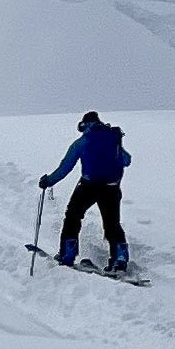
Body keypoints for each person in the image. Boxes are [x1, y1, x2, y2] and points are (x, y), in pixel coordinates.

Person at [38, 111, 131, 273]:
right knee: (112, 223)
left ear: (85, 125)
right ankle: (120, 258)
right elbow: (126, 160)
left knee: (73, 215)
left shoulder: (83, 142)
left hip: (89, 185)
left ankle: (68, 254)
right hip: (111, 187)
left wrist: (48, 181)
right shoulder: (113, 138)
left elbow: (65, 167)